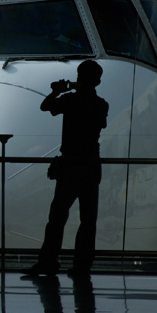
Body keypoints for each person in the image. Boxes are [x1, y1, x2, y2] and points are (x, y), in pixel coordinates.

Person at [24, 60, 109, 278]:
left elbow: (45, 106)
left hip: (71, 165)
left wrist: (57, 91)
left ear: (79, 77)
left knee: (57, 217)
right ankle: (82, 266)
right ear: (98, 81)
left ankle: (48, 262)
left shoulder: (70, 100)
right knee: (88, 220)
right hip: (91, 165)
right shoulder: (101, 104)